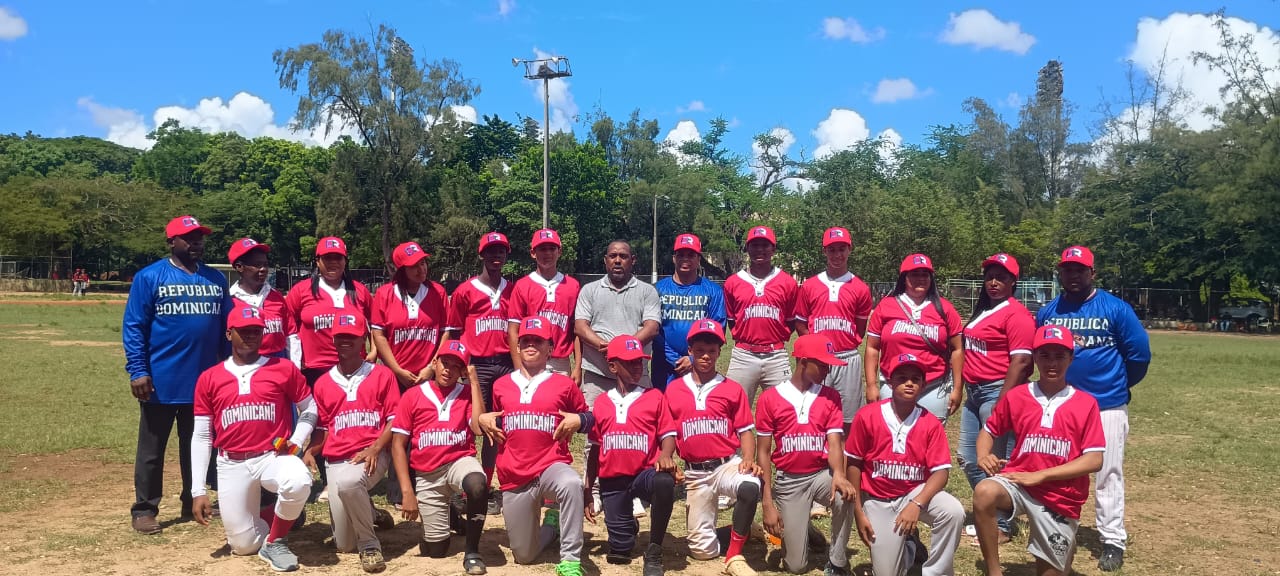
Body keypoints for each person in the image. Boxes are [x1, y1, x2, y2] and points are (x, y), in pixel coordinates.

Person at [1035, 246, 1151, 572]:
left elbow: (1139, 355)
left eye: (1080, 270)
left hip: (1106, 403)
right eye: (1067, 270)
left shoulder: (1115, 309)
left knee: (1107, 471)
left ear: (1092, 273)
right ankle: (1055, 523)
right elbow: (1040, 353)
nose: (1073, 275)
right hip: (1064, 403)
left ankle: (1112, 538)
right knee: (1058, 466)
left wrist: (1117, 385)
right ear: (1060, 273)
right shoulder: (1048, 312)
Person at [123, 215, 232, 534]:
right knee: (152, 449)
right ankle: (145, 508)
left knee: (198, 445)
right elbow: (134, 326)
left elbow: (228, 329)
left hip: (204, 381)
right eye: (189, 238)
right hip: (161, 380)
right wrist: (138, 370)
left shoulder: (215, 279)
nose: (197, 243)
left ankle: (193, 498)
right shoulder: (150, 277)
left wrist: (228, 370)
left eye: (200, 237)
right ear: (172, 242)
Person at [188, 303, 315, 572]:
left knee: (299, 480)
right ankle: (281, 515)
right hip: (231, 462)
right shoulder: (210, 378)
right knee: (243, 546)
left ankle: (276, 541)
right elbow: (201, 436)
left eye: (256, 331)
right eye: (243, 331)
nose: (250, 336)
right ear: (229, 334)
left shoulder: (282, 368)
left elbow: (310, 409)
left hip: (272, 457)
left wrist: (297, 440)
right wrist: (198, 490)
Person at [971, 325, 1107, 576]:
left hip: (1059, 495)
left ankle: (1064, 546)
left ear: (1071, 358)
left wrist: (1041, 475)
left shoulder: (1085, 403)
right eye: (1044, 355)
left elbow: (1094, 459)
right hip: (1019, 482)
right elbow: (988, 430)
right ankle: (994, 571)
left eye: (1059, 356)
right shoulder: (1018, 396)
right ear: (1034, 358)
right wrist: (983, 455)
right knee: (985, 492)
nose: (1052, 363)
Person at [476, 317, 592, 576]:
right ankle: (551, 526)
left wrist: (579, 420)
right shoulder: (501, 385)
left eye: (538, 341)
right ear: (517, 347)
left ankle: (571, 560)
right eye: (525, 340)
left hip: (550, 466)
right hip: (515, 474)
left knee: (571, 483)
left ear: (550, 348)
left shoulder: (564, 384)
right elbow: (495, 419)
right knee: (524, 556)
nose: (531, 345)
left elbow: (590, 419)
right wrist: (484, 419)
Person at [846, 352, 965, 576]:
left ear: (923, 385)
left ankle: (936, 572)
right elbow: (853, 464)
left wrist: (916, 504)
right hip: (879, 499)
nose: (909, 383)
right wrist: (858, 512)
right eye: (902, 378)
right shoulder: (867, 416)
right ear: (890, 382)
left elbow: (941, 473)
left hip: (914, 492)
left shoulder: (930, 422)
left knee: (953, 511)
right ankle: (910, 546)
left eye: (915, 379)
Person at [664, 319, 763, 576]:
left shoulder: (731, 388)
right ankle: (742, 529)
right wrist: (667, 458)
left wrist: (748, 458)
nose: (706, 356)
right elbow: (669, 432)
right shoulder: (674, 389)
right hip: (695, 473)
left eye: (711, 350)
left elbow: (745, 430)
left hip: (726, 464)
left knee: (750, 486)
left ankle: (734, 555)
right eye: (699, 350)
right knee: (702, 551)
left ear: (720, 351)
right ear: (690, 350)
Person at [756, 333, 856, 575]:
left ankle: (837, 561)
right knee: (796, 566)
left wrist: (839, 474)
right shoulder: (770, 398)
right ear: (803, 362)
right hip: (789, 481)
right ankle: (802, 526)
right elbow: (763, 453)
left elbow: (835, 443)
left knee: (844, 494)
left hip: (820, 475)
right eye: (822, 365)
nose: (828, 370)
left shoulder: (830, 396)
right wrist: (767, 503)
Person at [309, 313, 401, 573]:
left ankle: (370, 545)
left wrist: (375, 447)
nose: (345, 340)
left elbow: (394, 420)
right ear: (333, 339)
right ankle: (370, 512)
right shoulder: (324, 382)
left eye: (352, 336)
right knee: (344, 544)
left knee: (350, 483)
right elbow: (323, 429)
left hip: (372, 454)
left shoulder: (382, 375)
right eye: (341, 336)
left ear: (364, 339)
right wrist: (309, 451)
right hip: (337, 460)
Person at [574, 240, 661, 514]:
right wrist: (606, 346)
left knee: (637, 434)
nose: (618, 260)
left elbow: (652, 327)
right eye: (613, 256)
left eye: (623, 256)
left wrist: (624, 351)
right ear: (605, 260)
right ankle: (594, 489)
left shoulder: (647, 291)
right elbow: (580, 326)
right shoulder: (589, 290)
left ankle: (635, 489)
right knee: (595, 435)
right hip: (597, 373)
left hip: (636, 373)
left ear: (633, 260)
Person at [392, 340, 490, 575]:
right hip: (428, 475)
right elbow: (397, 445)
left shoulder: (466, 393)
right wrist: (407, 492)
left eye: (456, 366)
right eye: (445, 363)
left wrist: (474, 382)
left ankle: (472, 553)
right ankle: (451, 516)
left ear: (463, 371)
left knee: (478, 484)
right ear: (434, 363)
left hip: (458, 461)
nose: (448, 370)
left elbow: (478, 429)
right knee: (436, 550)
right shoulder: (414, 395)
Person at [286, 235, 374, 498]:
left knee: (347, 421)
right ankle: (323, 476)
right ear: (317, 261)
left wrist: (374, 353)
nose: (333, 263)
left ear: (345, 261)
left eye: (338, 258)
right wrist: (294, 363)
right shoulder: (301, 291)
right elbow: (289, 325)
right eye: (327, 258)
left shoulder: (359, 291)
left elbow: (374, 326)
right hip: (315, 368)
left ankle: (350, 471)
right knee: (319, 424)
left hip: (353, 368)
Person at [584, 334, 680, 576]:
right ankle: (628, 526)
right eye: (629, 362)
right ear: (613, 366)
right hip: (612, 480)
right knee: (620, 551)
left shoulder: (654, 396)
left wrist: (665, 455)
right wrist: (588, 489)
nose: (637, 367)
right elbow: (595, 449)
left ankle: (654, 551)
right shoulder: (602, 402)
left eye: (640, 361)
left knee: (664, 482)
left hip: (644, 474)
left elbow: (668, 434)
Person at [958, 253, 1036, 544]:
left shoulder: (1016, 314)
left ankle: (1001, 525)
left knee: (995, 460)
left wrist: (1003, 403)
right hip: (975, 392)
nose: (993, 282)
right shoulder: (985, 310)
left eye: (1001, 278)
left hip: (998, 391)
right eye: (989, 277)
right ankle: (994, 514)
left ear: (1013, 282)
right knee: (969, 458)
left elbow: (1021, 362)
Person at [370, 241, 448, 511]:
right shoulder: (385, 294)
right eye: (413, 266)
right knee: (398, 432)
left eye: (423, 263)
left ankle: (430, 486)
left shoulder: (437, 292)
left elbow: (445, 332)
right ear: (401, 269)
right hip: (397, 376)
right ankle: (398, 490)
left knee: (428, 431)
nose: (421, 269)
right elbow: (379, 334)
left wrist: (432, 366)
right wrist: (396, 369)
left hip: (427, 374)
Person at [443, 231, 515, 515]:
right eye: (491, 251)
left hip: (506, 362)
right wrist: (461, 365)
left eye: (501, 251)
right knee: (473, 424)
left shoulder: (513, 289)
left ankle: (490, 483)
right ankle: (468, 486)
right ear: (481, 254)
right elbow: (455, 331)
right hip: (477, 365)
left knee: (500, 427)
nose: (496, 256)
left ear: (506, 255)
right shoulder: (465, 290)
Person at [864, 254, 964, 422]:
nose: (920, 279)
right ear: (904, 278)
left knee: (930, 436)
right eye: (914, 274)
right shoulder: (886, 306)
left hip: (933, 387)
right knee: (891, 435)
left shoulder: (945, 308)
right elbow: (872, 348)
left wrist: (958, 388)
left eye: (925, 274)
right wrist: (871, 385)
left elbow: (958, 349)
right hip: (893, 385)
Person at [793, 227, 873, 428]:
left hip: (846, 358)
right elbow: (800, 323)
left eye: (841, 249)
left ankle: (844, 450)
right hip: (817, 360)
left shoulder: (860, 288)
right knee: (813, 414)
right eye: (832, 249)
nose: (837, 255)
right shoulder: (810, 285)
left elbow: (859, 329)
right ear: (824, 251)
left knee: (849, 419)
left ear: (849, 250)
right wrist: (815, 348)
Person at [723, 225, 798, 400]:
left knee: (784, 407)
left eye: (765, 245)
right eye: (755, 245)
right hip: (743, 354)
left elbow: (790, 321)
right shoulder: (733, 282)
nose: (759, 250)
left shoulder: (788, 282)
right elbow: (732, 321)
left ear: (773, 249)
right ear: (747, 248)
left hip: (776, 355)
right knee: (735, 407)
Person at [653, 233, 727, 390]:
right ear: (674, 258)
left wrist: (693, 358)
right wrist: (674, 359)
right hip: (663, 365)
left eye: (691, 255)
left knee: (697, 404)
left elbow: (718, 329)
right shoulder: (657, 290)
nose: (685, 259)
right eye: (681, 255)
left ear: (699, 259)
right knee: (663, 403)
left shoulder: (713, 291)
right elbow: (653, 330)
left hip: (700, 364)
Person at [507, 229, 581, 380]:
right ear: (533, 253)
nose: (547, 253)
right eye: (542, 249)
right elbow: (513, 330)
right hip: (531, 359)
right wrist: (518, 368)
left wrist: (578, 366)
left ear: (559, 252)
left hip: (561, 362)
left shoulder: (572, 285)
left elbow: (576, 331)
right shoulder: (522, 285)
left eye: (552, 248)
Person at [229, 238, 292, 359]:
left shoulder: (277, 297)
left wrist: (293, 365)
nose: (263, 269)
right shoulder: (229, 301)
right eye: (257, 265)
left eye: (265, 265)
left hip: (278, 364)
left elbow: (290, 334)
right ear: (239, 267)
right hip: (246, 364)